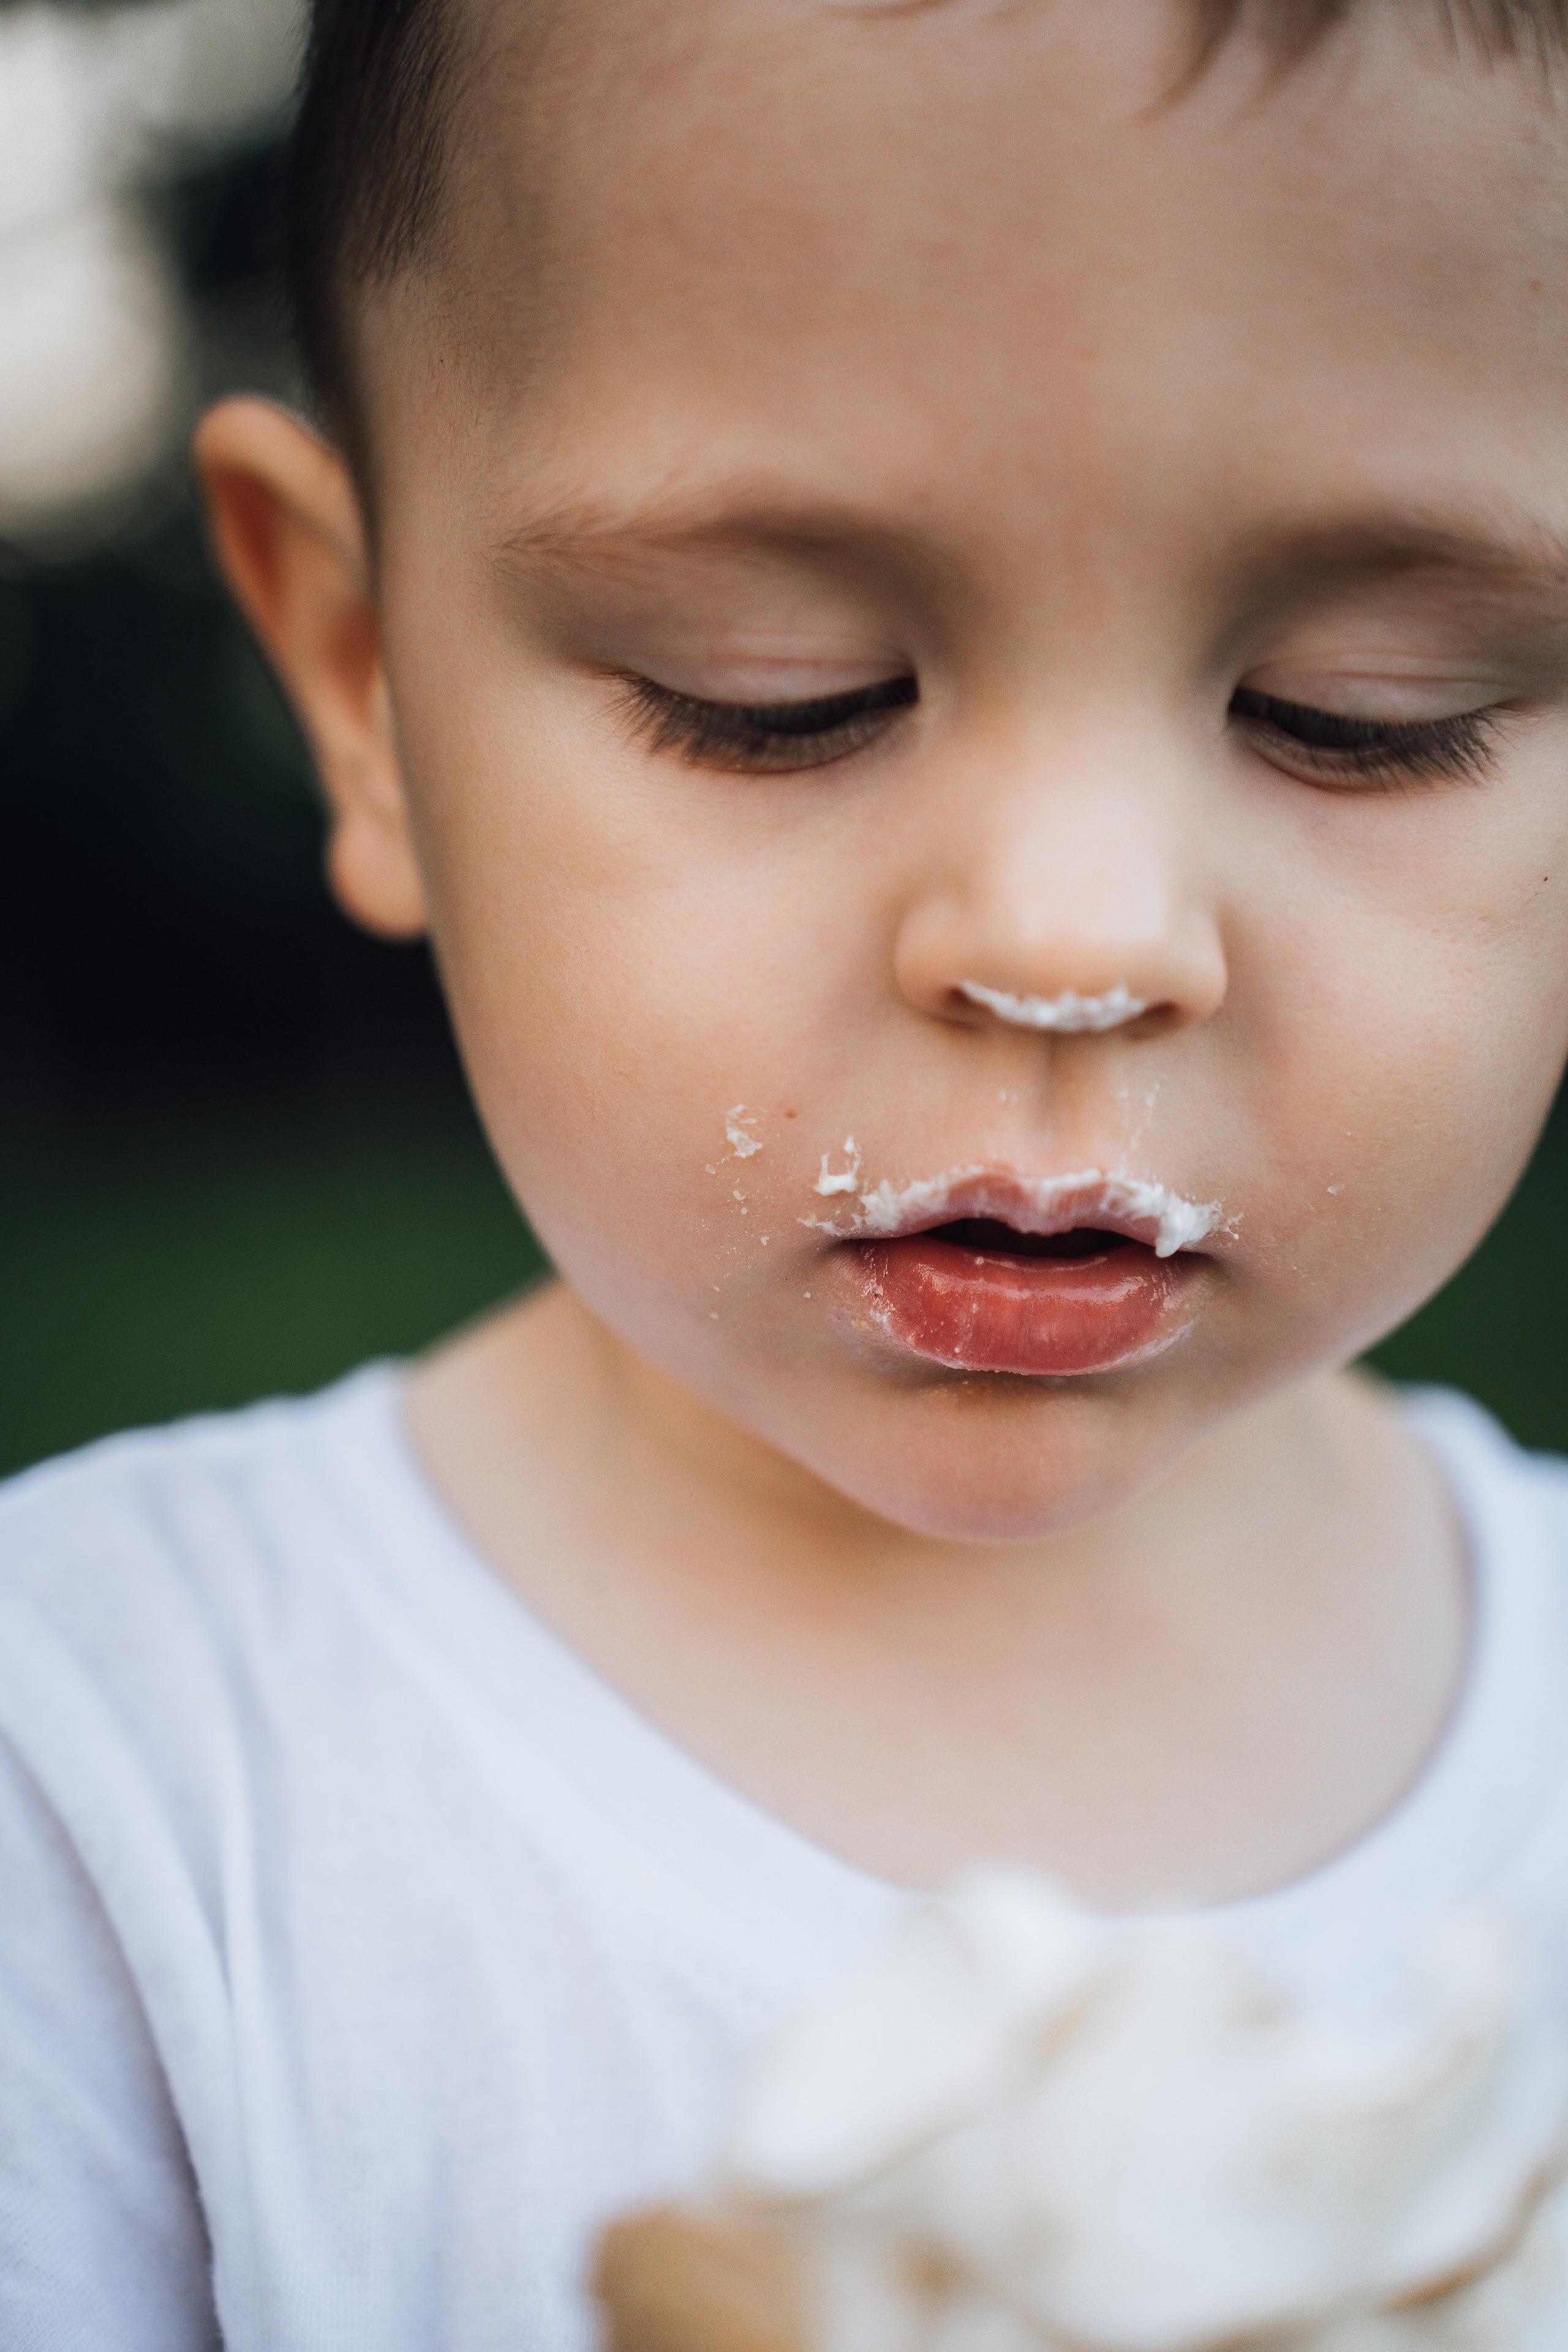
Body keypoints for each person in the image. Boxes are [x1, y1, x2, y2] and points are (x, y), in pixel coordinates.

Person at [6, 0, 1568, 2343]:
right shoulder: (108, 1777)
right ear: (364, 686)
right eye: (778, 691)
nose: (1070, 942)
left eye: (1367, 711)